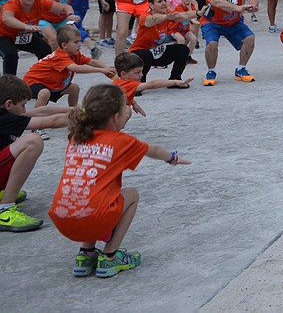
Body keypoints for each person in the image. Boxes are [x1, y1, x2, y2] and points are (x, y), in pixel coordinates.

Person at [49, 83, 190, 278]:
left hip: (62, 218)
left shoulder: (76, 136)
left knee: (88, 193)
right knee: (131, 195)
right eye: (126, 109)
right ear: (116, 118)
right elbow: (155, 151)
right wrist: (173, 158)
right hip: (93, 219)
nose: (128, 112)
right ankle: (109, 256)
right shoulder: (121, 141)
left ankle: (85, 254)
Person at [0, 74, 71, 232]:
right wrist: (89, 116)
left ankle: (3, 195)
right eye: (24, 105)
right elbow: (51, 121)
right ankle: (4, 210)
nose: (25, 109)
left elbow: (42, 111)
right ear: (9, 104)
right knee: (33, 141)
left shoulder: (6, 112)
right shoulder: (4, 118)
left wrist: (79, 109)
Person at [23, 26, 116, 109]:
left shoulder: (75, 54)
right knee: (44, 94)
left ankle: (73, 113)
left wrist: (107, 68)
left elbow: (92, 61)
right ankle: (36, 122)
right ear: (64, 45)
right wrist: (101, 70)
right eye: (76, 42)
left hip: (51, 84)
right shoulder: (59, 56)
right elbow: (76, 68)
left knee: (74, 88)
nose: (80, 44)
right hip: (33, 82)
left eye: (79, 41)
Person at [201, 0, 260, 86]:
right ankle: (211, 71)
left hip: (233, 22)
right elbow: (217, 2)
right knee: (211, 44)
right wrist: (237, 8)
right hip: (213, 22)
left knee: (250, 38)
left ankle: (241, 69)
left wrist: (253, 5)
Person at [0, 0, 72, 76]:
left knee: (45, 50)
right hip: (3, 35)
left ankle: (43, 76)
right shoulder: (12, 4)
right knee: (11, 54)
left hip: (23, 35)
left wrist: (70, 14)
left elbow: (64, 7)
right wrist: (25, 26)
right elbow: (6, 18)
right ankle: (8, 84)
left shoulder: (40, 3)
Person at [42, 0, 108, 58]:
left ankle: (79, 55)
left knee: (75, 34)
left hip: (61, 19)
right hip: (45, 19)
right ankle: (52, 61)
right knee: (53, 38)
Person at [128, 0, 194, 86]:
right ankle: (139, 83)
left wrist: (199, 13)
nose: (164, 3)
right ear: (151, 5)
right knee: (146, 54)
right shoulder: (145, 16)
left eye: (164, 0)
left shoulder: (168, 13)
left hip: (157, 52)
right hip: (139, 54)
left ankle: (175, 80)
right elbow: (153, 20)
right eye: (160, 1)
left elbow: (184, 15)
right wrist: (166, 17)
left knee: (183, 49)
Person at [112, 52, 192, 117]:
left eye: (141, 71)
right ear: (124, 75)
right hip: (106, 116)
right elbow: (152, 84)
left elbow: (125, 94)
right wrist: (175, 81)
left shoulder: (119, 82)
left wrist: (134, 104)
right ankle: (112, 132)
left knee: (125, 110)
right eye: (137, 72)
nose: (142, 75)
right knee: (126, 111)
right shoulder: (127, 84)